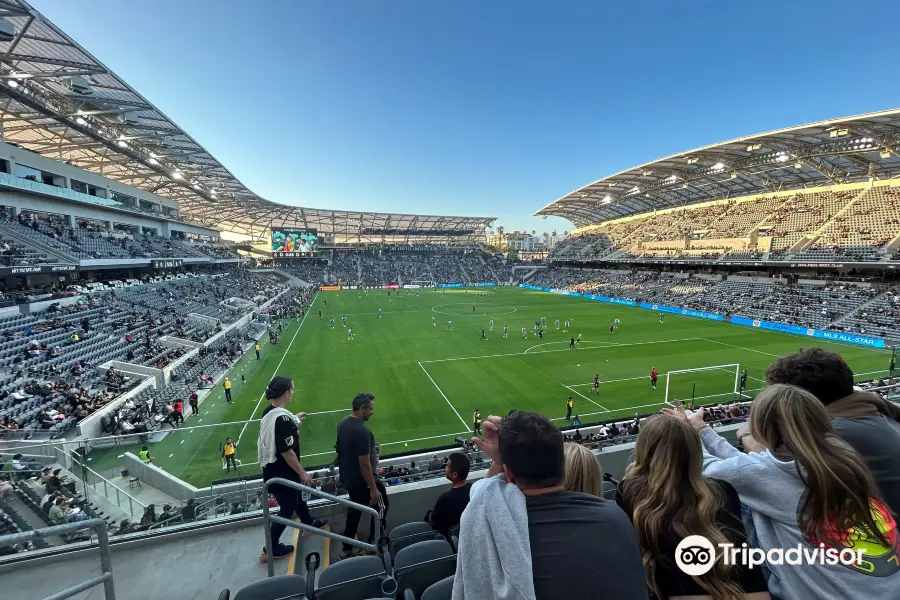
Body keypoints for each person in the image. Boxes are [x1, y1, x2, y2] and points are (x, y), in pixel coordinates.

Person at [672, 385, 900, 599]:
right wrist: (702, 429)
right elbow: (748, 468)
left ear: (763, 428)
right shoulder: (840, 453)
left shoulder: (766, 473)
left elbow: (709, 469)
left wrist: (688, 430)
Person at [455, 411, 648, 599]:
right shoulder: (616, 519)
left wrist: (499, 461)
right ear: (563, 465)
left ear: (508, 474)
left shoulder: (494, 523)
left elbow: (482, 500)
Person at [616, 412, 769, 600]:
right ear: (695, 451)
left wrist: (630, 480)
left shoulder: (631, 492)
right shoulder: (723, 491)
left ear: (644, 450)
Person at [765, 348, 900, 515]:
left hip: (884, 534)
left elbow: (772, 475)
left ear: (799, 401)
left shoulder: (831, 435)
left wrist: (749, 438)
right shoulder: (876, 414)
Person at [256, 375, 328, 562]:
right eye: (292, 390)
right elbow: (288, 452)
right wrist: (303, 473)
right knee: (287, 507)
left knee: (296, 497)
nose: (293, 393)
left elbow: (278, 431)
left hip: (274, 469)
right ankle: (270, 548)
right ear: (286, 393)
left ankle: (309, 523)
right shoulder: (283, 421)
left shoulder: (270, 412)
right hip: (283, 472)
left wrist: (294, 418)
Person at [336, 392, 387, 560]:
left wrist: (370, 444)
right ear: (363, 409)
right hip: (363, 481)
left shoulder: (344, 423)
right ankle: (375, 545)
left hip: (349, 478)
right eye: (371, 409)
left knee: (355, 511)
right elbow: (364, 464)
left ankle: (347, 548)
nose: (372, 412)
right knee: (381, 506)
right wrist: (373, 488)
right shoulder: (361, 431)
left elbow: (344, 448)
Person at [427, 452, 472, 538]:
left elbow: (432, 521)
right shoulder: (474, 489)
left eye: (447, 466)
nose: (445, 468)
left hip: (450, 539)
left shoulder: (445, 498)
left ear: (454, 474)